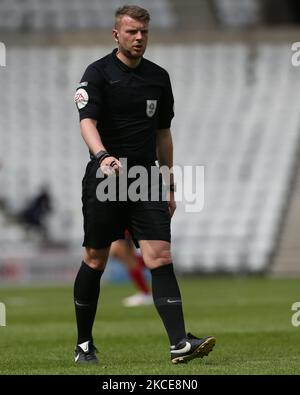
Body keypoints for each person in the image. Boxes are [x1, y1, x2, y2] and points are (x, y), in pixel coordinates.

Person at [73, 5, 216, 365]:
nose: (138, 38)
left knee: (160, 256)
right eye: (132, 32)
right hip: (107, 177)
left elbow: (163, 133)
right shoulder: (97, 74)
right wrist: (102, 155)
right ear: (116, 34)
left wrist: (169, 182)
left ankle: (179, 343)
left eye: (144, 32)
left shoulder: (158, 77)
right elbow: (86, 121)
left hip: (147, 178)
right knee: (95, 259)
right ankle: (84, 344)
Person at [110, 236, 153, 307]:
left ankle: (146, 293)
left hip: (123, 229)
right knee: (124, 255)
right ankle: (145, 292)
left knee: (126, 256)